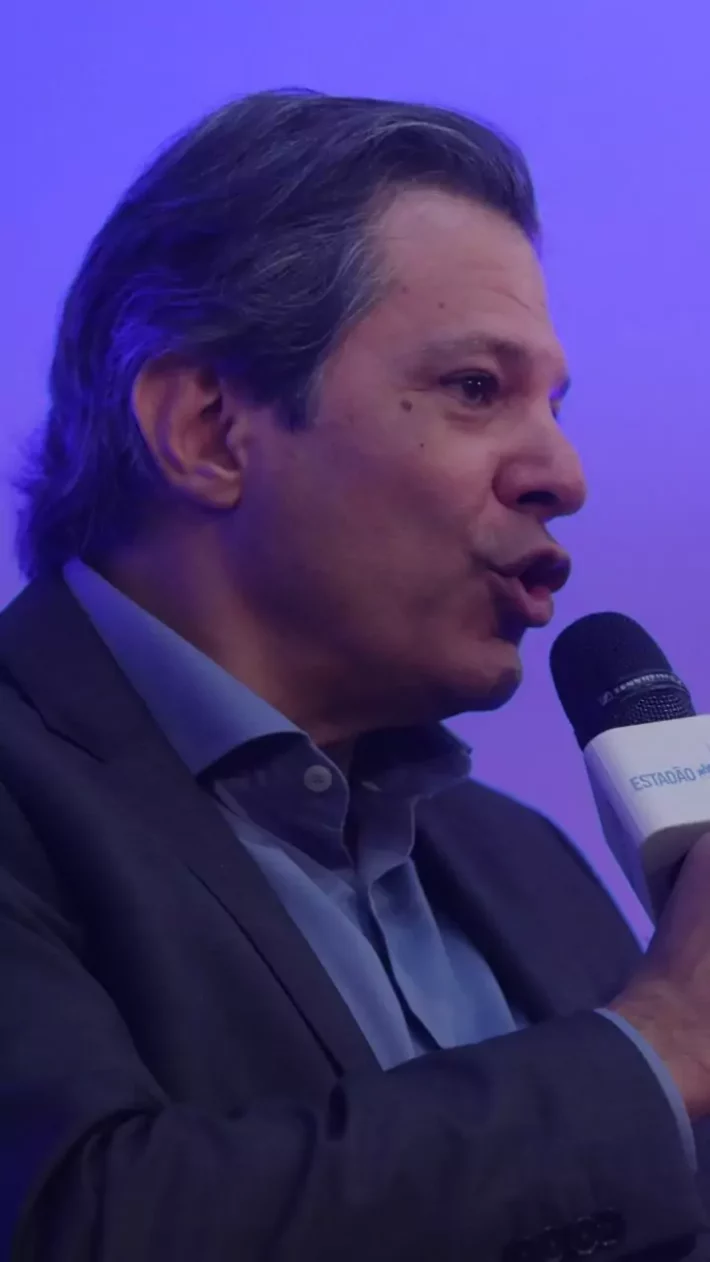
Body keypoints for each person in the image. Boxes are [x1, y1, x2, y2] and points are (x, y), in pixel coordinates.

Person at [1, 89, 710, 1262]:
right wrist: (660, 1038)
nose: (562, 472)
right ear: (207, 429)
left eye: (552, 404)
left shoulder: (519, 855)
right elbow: (75, 1221)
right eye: (475, 387)